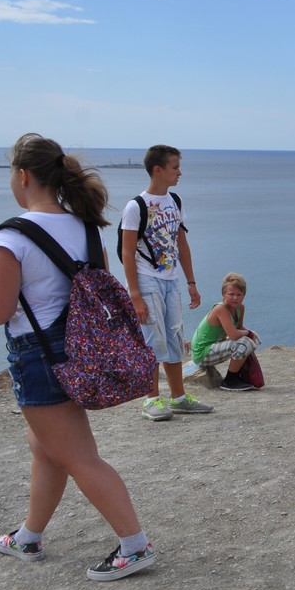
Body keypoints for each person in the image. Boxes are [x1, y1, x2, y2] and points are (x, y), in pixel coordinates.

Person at [0, 134, 156, 581]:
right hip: (81, 351)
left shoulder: (11, 237)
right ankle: (28, 536)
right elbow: (91, 293)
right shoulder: (86, 228)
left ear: (22, 176)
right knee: (46, 448)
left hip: (40, 356)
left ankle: (135, 546)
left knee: (80, 457)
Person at [120, 145, 212, 422]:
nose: (179, 172)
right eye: (175, 167)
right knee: (152, 339)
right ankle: (151, 400)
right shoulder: (136, 206)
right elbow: (127, 252)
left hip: (171, 280)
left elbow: (181, 243)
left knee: (174, 337)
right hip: (147, 280)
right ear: (158, 170)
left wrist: (191, 281)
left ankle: (179, 397)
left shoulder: (175, 201)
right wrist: (134, 295)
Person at [190, 272, 263, 392]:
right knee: (244, 342)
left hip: (214, 346)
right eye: (231, 294)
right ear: (223, 294)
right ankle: (230, 381)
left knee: (250, 339)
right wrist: (248, 333)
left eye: (239, 294)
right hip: (202, 352)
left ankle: (239, 374)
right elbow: (233, 334)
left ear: (244, 295)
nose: (235, 298)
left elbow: (239, 327)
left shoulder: (240, 308)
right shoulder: (220, 309)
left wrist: (251, 335)